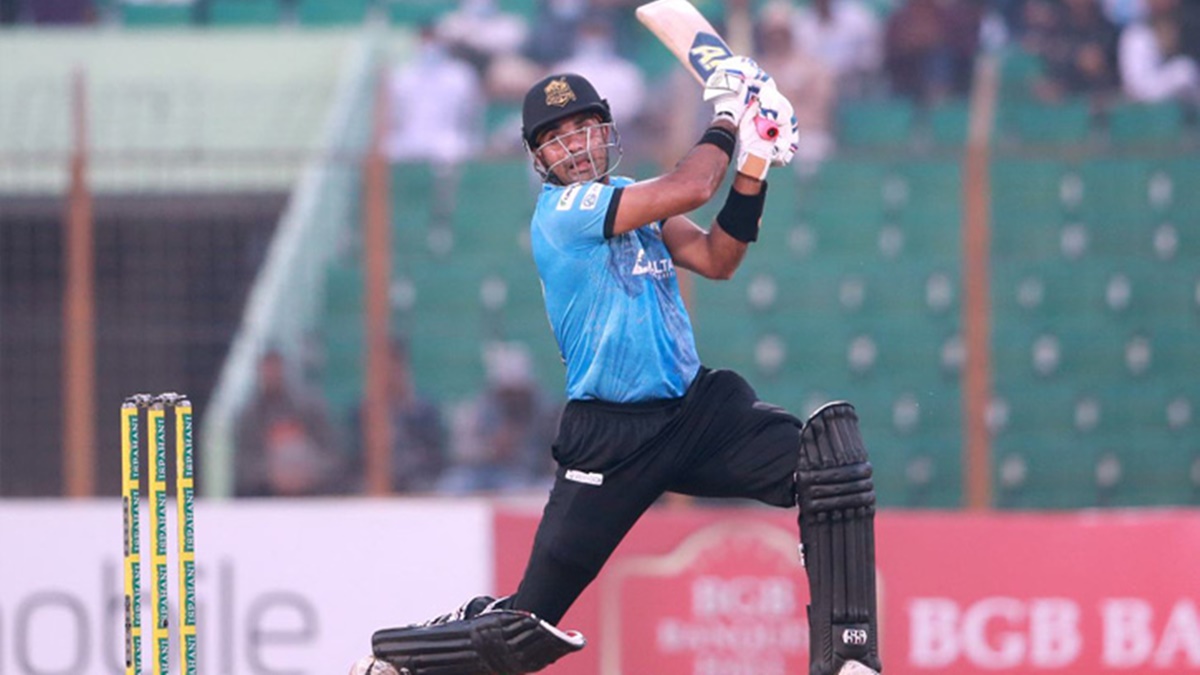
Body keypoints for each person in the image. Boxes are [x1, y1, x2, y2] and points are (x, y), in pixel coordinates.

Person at [360, 63, 882, 675]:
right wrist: (728, 116)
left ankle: (848, 655)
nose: (575, 145)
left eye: (583, 127)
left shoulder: (633, 196)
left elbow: (718, 258)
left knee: (828, 466)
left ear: (606, 129)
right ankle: (410, 660)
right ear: (538, 156)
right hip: (610, 437)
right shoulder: (565, 212)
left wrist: (755, 164)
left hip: (695, 412)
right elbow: (693, 185)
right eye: (556, 137)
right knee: (528, 629)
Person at [437, 341, 558, 494]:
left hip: (524, 475)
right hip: (480, 472)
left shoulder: (544, 411)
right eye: (507, 392)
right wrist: (491, 449)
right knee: (453, 485)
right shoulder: (479, 409)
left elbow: (554, 455)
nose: (513, 399)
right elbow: (459, 451)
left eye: (518, 392)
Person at [234, 348, 344, 497]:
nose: (272, 374)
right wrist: (271, 474)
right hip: (265, 494)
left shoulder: (309, 409)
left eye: (276, 368)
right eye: (267, 369)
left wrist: (308, 472)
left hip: (313, 492)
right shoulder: (249, 417)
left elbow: (333, 453)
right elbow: (242, 463)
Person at [348, 339, 447, 493]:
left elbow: (436, 458)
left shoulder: (423, 410)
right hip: (370, 486)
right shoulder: (359, 412)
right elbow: (354, 459)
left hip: (418, 482)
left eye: (389, 366)